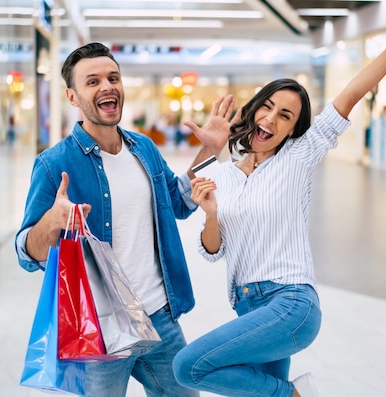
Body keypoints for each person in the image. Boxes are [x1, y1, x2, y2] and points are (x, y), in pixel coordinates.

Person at [172, 5, 386, 397]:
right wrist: (212, 212)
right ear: (254, 111)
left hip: (290, 302)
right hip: (248, 307)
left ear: (293, 129)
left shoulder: (298, 157)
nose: (271, 119)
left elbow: (353, 92)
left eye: (285, 116)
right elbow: (211, 249)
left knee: (188, 367)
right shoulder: (222, 173)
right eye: (267, 107)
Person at [15, 42, 234, 396]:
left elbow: (179, 201)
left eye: (113, 77)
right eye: (92, 81)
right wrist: (50, 223)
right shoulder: (53, 165)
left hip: (160, 316)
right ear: (73, 97)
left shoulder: (143, 148)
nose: (107, 86)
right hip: (102, 327)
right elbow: (26, 252)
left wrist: (210, 149)